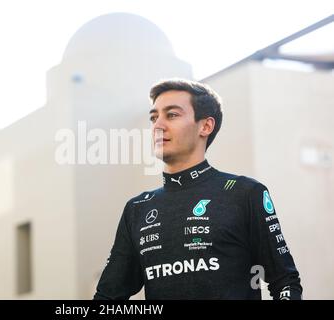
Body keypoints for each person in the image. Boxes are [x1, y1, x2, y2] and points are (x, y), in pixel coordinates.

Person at [93, 79, 302, 300]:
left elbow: (285, 282)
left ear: (205, 126)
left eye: (171, 115)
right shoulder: (137, 208)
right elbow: (108, 297)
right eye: (154, 117)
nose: (158, 125)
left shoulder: (245, 193)